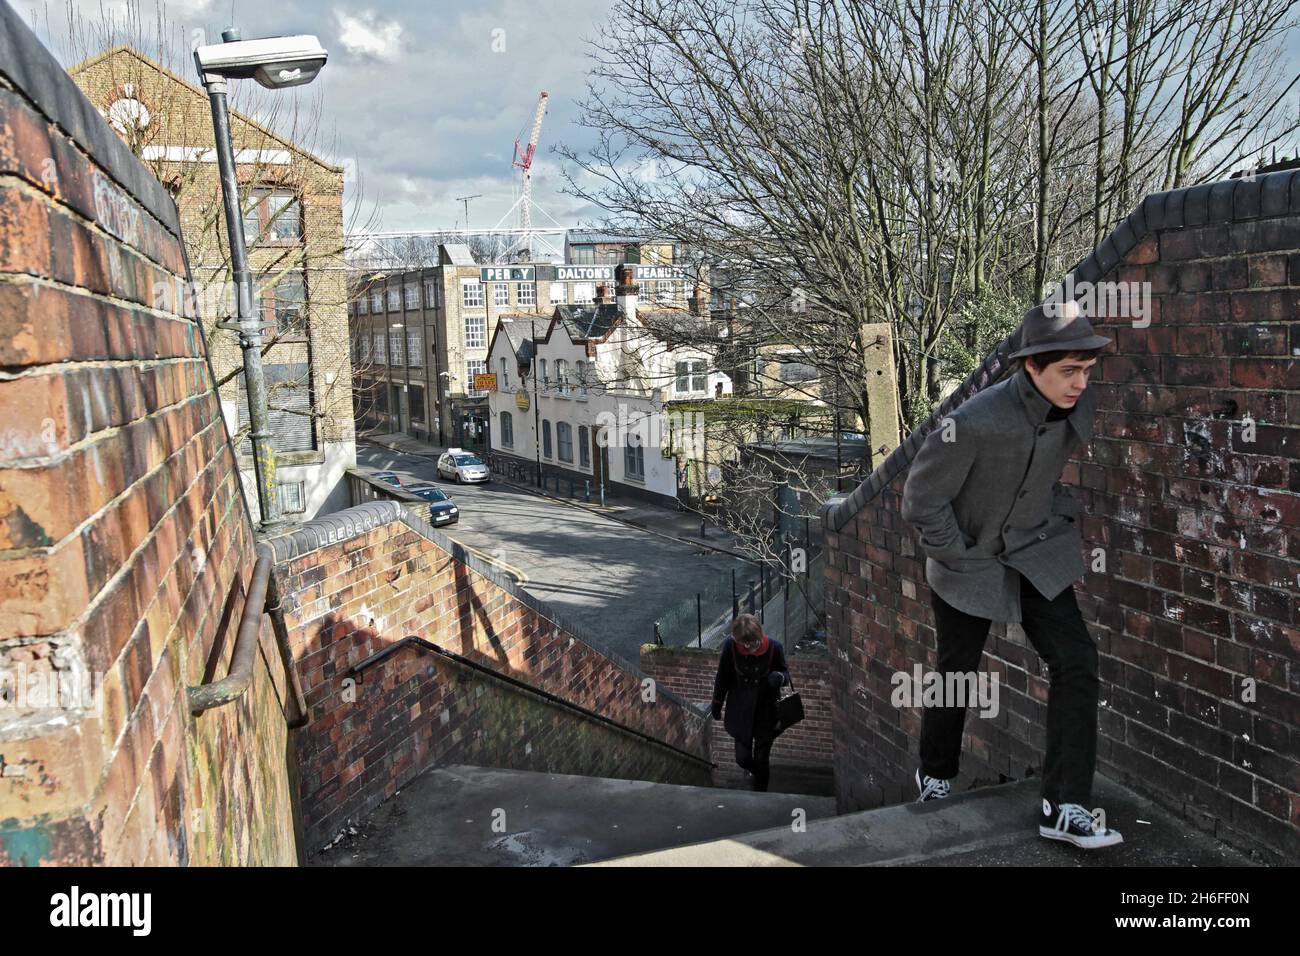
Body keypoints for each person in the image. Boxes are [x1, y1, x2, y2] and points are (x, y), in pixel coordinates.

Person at [900, 301, 1124, 850]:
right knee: (959, 669)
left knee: (1077, 660)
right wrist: (960, 553)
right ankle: (935, 774)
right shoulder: (973, 422)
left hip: (1035, 549)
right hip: (971, 561)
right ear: (1031, 366)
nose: (1080, 384)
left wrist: (1059, 507)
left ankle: (1065, 805)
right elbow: (920, 500)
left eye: (1086, 371)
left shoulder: (1078, 404)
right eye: (1068, 372)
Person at [710, 614, 790, 792]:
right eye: (743, 643)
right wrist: (717, 702)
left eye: (751, 643)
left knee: (762, 758)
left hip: (767, 712)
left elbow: (786, 675)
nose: (747, 647)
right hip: (740, 711)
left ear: (759, 636)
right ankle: (758, 774)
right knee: (742, 759)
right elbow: (723, 675)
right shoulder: (731, 647)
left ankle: (761, 792)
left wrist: (778, 678)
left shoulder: (775, 648)